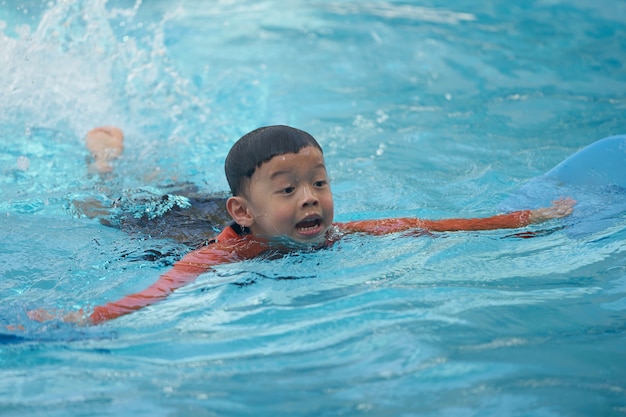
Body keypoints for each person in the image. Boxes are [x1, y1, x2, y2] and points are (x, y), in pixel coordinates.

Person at [29, 125, 575, 325]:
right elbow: (160, 291)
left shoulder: (330, 231)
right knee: (112, 201)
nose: (311, 198)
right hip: (164, 230)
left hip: (215, 203)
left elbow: (421, 224)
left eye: (319, 182)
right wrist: (90, 317)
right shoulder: (223, 256)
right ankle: (102, 160)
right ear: (243, 212)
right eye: (289, 190)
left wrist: (523, 220)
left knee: (174, 186)